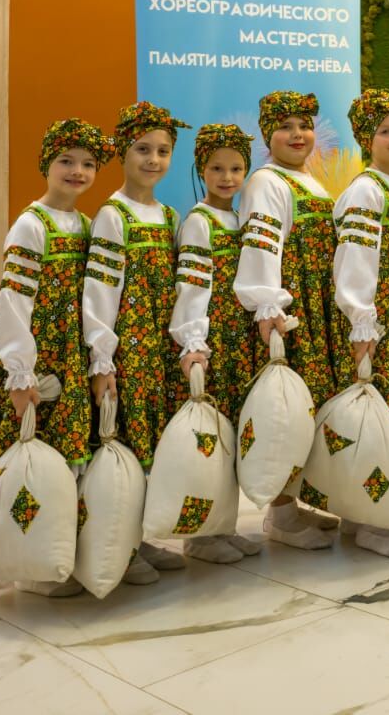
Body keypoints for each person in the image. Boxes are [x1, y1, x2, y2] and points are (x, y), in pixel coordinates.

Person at [0, 118, 112, 597]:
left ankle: (49, 552)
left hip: (70, 353)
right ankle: (18, 560)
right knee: (23, 454)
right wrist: (19, 371)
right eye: (66, 161)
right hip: (38, 354)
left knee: (63, 457)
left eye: (87, 163)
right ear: (47, 164)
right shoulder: (30, 224)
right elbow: (13, 300)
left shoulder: (86, 225)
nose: (77, 171)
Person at [83, 100, 191, 584]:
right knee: (124, 443)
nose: (153, 160)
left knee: (152, 443)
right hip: (127, 348)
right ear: (123, 153)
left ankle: (141, 538)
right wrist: (101, 357)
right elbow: (100, 290)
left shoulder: (168, 215)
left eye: (163, 151)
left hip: (158, 349)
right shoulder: (113, 214)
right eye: (143, 149)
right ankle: (119, 548)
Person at [235, 91, 348, 550]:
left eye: (304, 126)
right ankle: (279, 513)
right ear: (268, 136)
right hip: (288, 310)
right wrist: (268, 307)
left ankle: (293, 502)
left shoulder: (308, 183)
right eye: (285, 127)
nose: (297, 135)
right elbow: (261, 247)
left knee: (307, 405)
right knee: (285, 411)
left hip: (315, 305)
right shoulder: (266, 182)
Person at [332, 88, 389, 558]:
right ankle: (371, 521)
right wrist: (361, 322)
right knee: (376, 418)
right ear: (367, 139)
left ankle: (370, 511)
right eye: (385, 131)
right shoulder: (367, 189)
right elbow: (355, 258)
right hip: (378, 318)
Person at [169, 123, 261, 564]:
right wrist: (194, 342)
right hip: (212, 341)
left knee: (230, 437)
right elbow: (191, 287)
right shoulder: (198, 222)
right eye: (217, 168)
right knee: (209, 440)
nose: (227, 177)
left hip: (239, 339)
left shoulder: (239, 219)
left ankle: (223, 526)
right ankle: (200, 536)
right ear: (200, 169)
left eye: (236, 168)